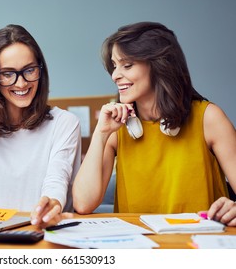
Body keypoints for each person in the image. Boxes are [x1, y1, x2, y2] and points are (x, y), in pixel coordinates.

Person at [73, 21, 236, 226]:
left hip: (198, 245)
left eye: (127, 65)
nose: (115, 75)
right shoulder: (118, 126)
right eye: (114, 66)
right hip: (138, 247)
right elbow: (83, 203)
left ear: (159, 64)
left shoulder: (209, 118)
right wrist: (101, 133)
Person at [0, 24, 81, 228]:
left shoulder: (64, 123)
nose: (21, 83)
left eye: (29, 70)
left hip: (38, 231)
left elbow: (58, 178)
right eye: (8, 74)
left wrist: (52, 204)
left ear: (40, 69)